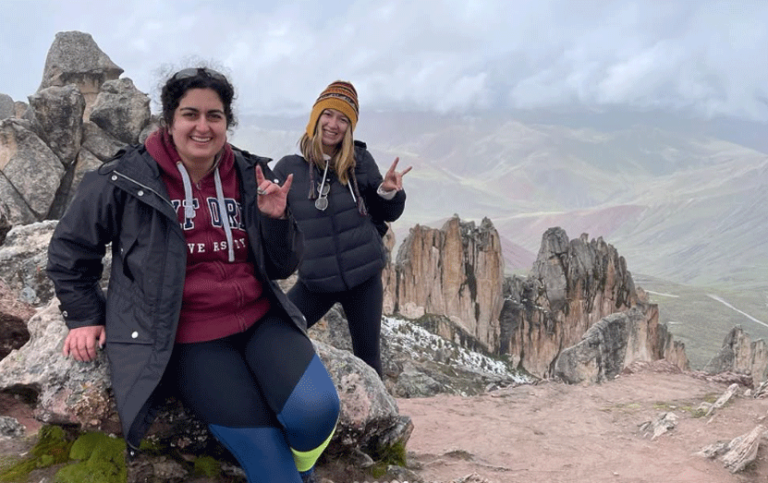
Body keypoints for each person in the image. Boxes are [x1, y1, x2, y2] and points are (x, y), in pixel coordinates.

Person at [46, 67, 339, 483]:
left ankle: (303, 472)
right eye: (190, 114)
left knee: (316, 411)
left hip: (260, 320)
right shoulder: (124, 179)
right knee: (270, 464)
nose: (203, 126)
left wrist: (275, 220)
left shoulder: (247, 174)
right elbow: (70, 250)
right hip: (189, 338)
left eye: (214, 116)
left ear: (226, 122)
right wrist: (85, 315)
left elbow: (280, 268)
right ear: (169, 120)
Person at [273, 80, 411, 378]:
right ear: (316, 116)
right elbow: (272, 223)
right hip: (316, 282)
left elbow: (386, 212)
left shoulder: (359, 162)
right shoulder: (288, 169)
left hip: (364, 278)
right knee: (276, 334)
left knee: (369, 359)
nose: (334, 125)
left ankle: (384, 425)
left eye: (343, 119)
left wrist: (388, 192)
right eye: (328, 114)